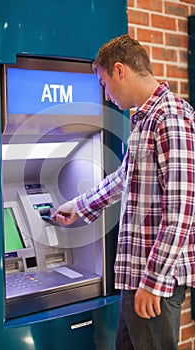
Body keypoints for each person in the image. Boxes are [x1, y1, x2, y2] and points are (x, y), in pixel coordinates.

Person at [52, 34, 195, 349]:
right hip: (137, 276)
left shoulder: (169, 117)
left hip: (155, 280)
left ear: (120, 70)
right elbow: (125, 176)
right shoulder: (144, 118)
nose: (106, 93)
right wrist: (79, 205)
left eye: (104, 83)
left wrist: (154, 282)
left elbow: (182, 211)